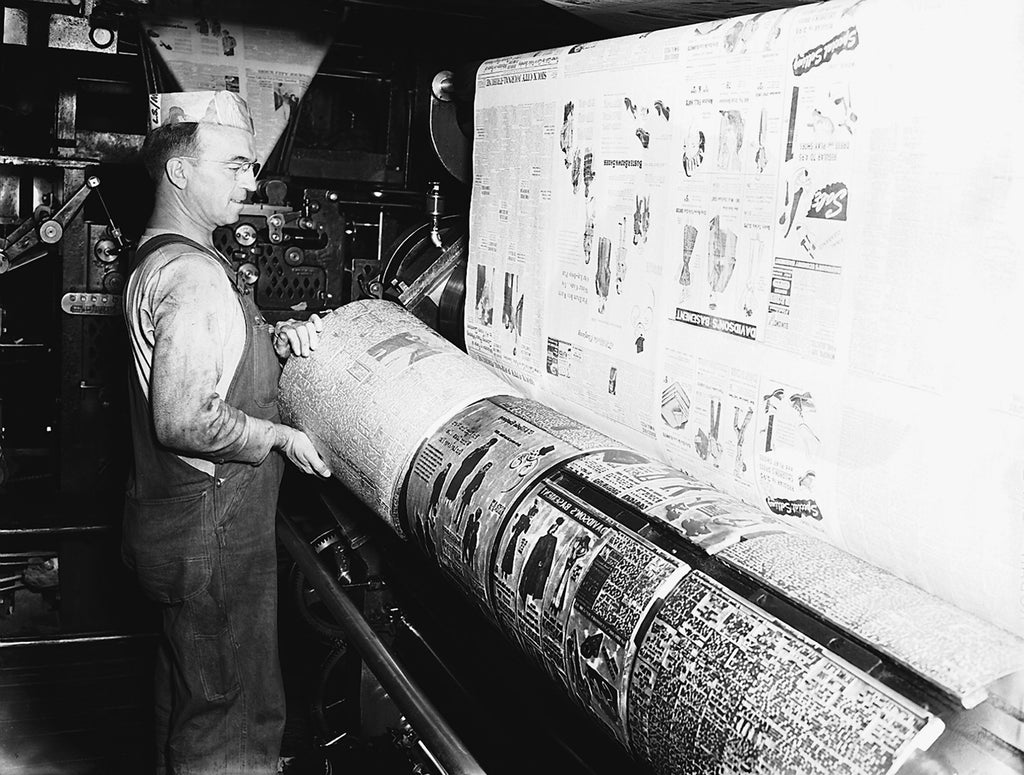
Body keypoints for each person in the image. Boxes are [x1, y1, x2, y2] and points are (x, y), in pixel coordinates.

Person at [122, 90, 331, 774]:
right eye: (237, 165)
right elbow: (183, 417)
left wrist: (273, 338)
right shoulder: (193, 273)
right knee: (234, 720)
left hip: (167, 523)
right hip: (213, 531)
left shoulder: (157, 255)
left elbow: (210, 355)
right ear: (180, 171)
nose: (251, 181)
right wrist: (277, 437)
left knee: (188, 691)